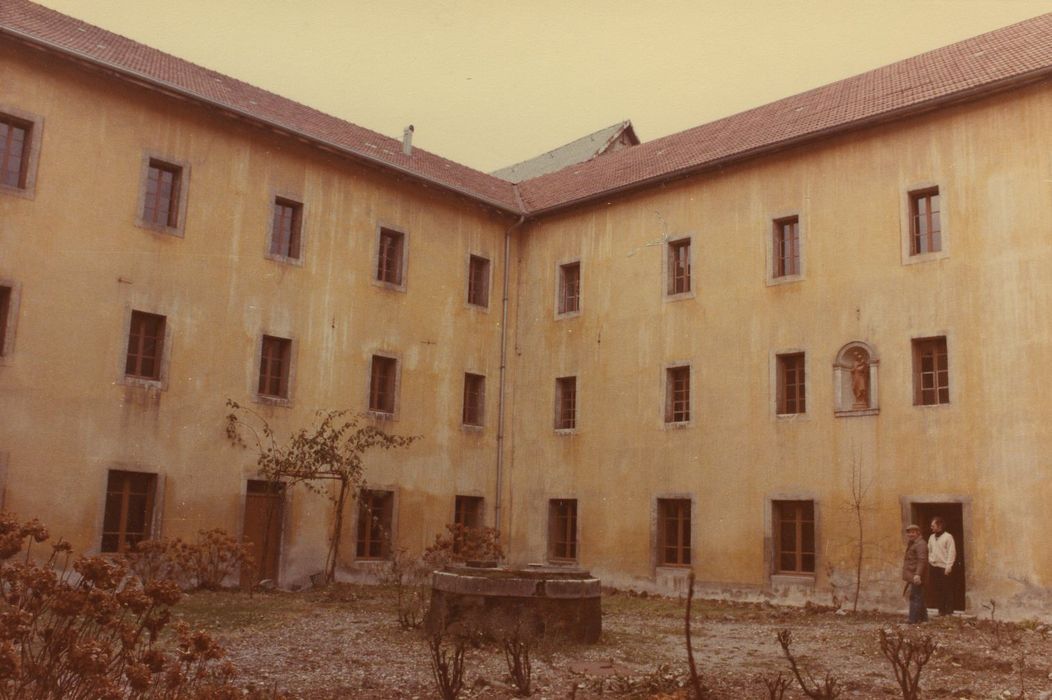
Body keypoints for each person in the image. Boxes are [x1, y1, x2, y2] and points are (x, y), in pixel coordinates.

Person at [928, 517, 957, 616]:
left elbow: (951, 552)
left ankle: (949, 611)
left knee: (946, 589)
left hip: (944, 567)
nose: (931, 527)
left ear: (939, 526)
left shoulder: (948, 537)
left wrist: (948, 566)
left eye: (933, 526)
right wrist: (931, 560)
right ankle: (941, 611)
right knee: (937, 589)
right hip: (934, 566)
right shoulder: (931, 537)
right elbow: (929, 550)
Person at [902, 523, 928, 623]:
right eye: (909, 533)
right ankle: (924, 619)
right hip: (913, 574)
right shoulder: (913, 543)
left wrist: (918, 574)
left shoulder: (921, 544)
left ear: (918, 533)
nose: (910, 535)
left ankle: (912, 619)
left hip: (916, 575)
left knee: (915, 596)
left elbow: (922, 560)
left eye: (913, 532)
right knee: (919, 596)